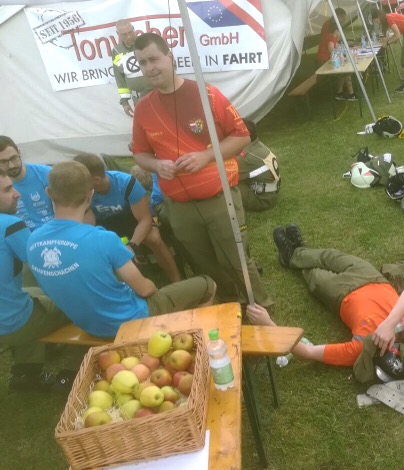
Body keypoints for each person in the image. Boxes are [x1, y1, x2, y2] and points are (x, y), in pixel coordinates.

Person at [131, 32, 273, 313]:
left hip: (218, 197)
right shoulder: (143, 108)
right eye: (142, 63)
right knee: (202, 262)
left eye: (153, 59)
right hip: (178, 206)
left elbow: (241, 136)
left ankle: (261, 307)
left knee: (235, 258)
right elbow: (139, 154)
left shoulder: (206, 94)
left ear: (170, 57)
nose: (149, 68)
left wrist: (206, 156)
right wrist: (157, 165)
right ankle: (227, 306)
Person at [26, 161, 216, 339]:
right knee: (207, 284)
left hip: (89, 326)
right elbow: (145, 289)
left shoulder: (33, 241)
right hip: (129, 321)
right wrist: (153, 288)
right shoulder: (103, 239)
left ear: (48, 192)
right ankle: (197, 339)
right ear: (90, 195)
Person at [247, 224, 404, 366]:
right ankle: (297, 251)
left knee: (313, 273)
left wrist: (268, 324)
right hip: (373, 277)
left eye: (401, 325)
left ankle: (293, 254)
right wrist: (390, 323)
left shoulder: (364, 345)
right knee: (330, 256)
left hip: (342, 292)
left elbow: (308, 352)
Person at [0, 171, 72, 392]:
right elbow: (48, 268)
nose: (17, 194)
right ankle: (73, 367)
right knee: (69, 300)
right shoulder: (10, 225)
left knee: (30, 293)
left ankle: (25, 372)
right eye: (7, 190)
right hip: (11, 324)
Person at [72, 152, 182, 283]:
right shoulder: (81, 191)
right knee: (90, 247)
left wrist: (132, 245)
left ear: (96, 180)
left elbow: (144, 220)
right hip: (104, 221)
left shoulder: (126, 183)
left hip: (132, 217)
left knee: (154, 238)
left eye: (79, 180)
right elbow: (88, 225)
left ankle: (177, 280)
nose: (76, 184)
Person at [0, 136, 54, 231]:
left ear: (19, 153)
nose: (11, 165)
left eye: (14, 158)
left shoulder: (48, 174)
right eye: (3, 162)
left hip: (52, 233)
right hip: (18, 236)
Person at [112, 19, 154, 117]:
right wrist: (125, 102)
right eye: (124, 35)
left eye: (130, 32)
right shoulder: (117, 51)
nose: (129, 37)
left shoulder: (147, 43)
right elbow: (119, 78)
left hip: (158, 93)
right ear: (118, 34)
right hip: (138, 99)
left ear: (134, 29)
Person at [236, 119, 280, 212]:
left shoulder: (246, 157)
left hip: (261, 199)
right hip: (270, 193)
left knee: (226, 186)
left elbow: (225, 175)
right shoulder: (257, 145)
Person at [372, 9, 404, 93]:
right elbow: (397, 33)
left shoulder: (389, 18)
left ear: (379, 17)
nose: (377, 23)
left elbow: (397, 36)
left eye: (376, 21)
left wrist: (387, 43)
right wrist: (388, 40)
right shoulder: (388, 17)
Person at [317, 9, 357, 101]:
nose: (340, 33)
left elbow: (335, 46)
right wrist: (338, 55)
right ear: (336, 31)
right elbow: (331, 48)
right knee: (346, 71)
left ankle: (340, 93)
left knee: (344, 70)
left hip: (327, 58)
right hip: (324, 61)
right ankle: (351, 94)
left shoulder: (333, 35)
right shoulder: (332, 36)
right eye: (339, 31)